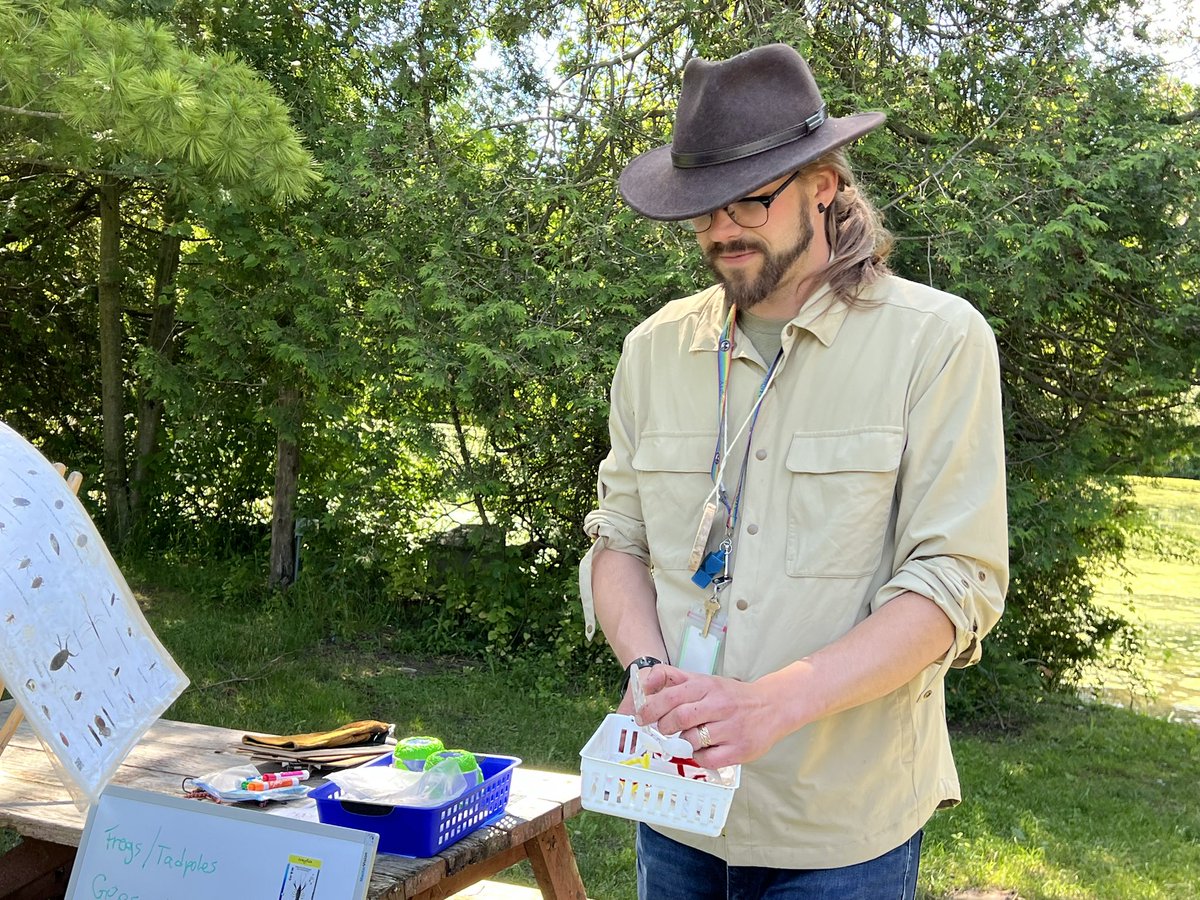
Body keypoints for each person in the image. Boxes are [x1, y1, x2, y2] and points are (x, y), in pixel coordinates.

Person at [578, 43, 1008, 899]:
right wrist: (645, 670)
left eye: (750, 199)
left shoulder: (937, 341)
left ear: (824, 186)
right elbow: (618, 540)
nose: (721, 230)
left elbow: (954, 581)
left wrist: (774, 703)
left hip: (839, 828)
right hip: (676, 810)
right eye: (702, 209)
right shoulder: (653, 350)